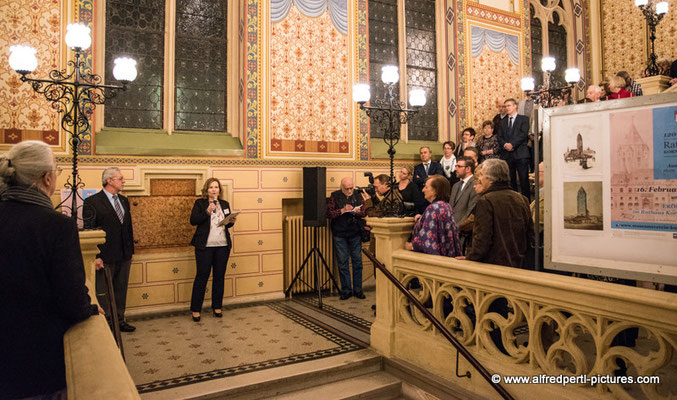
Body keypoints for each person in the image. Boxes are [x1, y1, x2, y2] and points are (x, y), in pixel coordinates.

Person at [1, 140, 102, 399]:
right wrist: (90, 307)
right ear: (47, 178)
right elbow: (72, 301)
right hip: (34, 365)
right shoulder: (56, 226)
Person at [83, 166, 136, 332]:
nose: (123, 181)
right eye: (120, 179)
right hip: (104, 257)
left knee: (121, 290)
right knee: (104, 293)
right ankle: (106, 325)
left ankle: (119, 320)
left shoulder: (124, 200)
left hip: (124, 255)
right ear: (109, 181)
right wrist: (95, 256)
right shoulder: (92, 202)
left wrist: (130, 251)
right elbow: (89, 230)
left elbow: (128, 228)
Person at [461, 159, 534, 268]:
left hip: (493, 267)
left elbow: (482, 240)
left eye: (481, 175)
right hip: (519, 265)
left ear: (490, 178)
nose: (479, 179)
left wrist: (470, 257)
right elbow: (530, 236)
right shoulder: (522, 199)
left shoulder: (486, 201)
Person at [189, 178, 236, 322]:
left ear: (219, 190)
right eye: (211, 187)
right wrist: (207, 212)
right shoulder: (200, 203)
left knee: (219, 276)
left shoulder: (225, 204)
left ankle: (217, 307)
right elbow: (193, 220)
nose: (214, 190)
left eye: (216, 187)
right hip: (205, 247)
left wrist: (231, 221)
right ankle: (196, 309)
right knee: (202, 276)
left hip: (222, 246)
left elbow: (226, 225)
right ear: (206, 190)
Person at [327, 177, 367, 300]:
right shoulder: (334, 196)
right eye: (347, 189)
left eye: (351, 188)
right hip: (340, 233)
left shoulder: (357, 195)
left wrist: (357, 212)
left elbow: (364, 211)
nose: (350, 191)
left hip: (354, 232)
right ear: (342, 187)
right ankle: (346, 290)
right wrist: (342, 210)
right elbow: (329, 213)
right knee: (343, 262)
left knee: (357, 262)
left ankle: (358, 289)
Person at [405, 175, 462, 257]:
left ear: (435, 190)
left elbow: (427, 240)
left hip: (435, 260)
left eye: (426, 187)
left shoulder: (433, 208)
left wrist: (411, 246)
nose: (423, 190)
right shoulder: (446, 205)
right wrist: (420, 219)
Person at [498, 98, 531, 199]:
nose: (506, 108)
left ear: (515, 106)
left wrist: (512, 144)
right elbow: (499, 137)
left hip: (521, 154)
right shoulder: (502, 122)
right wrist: (505, 145)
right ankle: (514, 203)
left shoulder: (524, 119)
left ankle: (527, 204)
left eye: (508, 105)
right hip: (507, 156)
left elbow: (523, 134)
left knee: (524, 180)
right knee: (511, 182)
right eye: (505, 106)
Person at [450, 157, 478, 227]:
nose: (455, 169)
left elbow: (470, 211)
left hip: (464, 230)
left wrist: (458, 227)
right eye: (456, 166)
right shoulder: (455, 186)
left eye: (459, 166)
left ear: (468, 169)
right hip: (451, 229)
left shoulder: (476, 185)